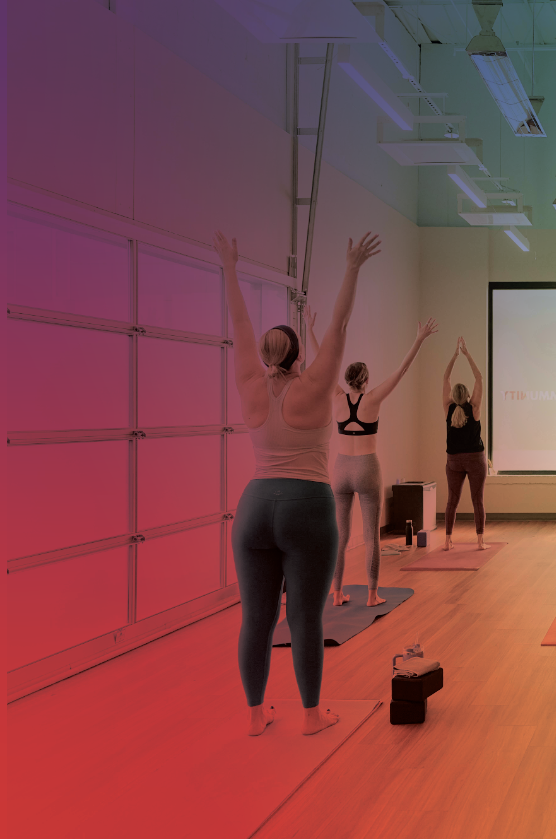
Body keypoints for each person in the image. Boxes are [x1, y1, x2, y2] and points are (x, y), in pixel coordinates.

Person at [216, 229, 380, 737]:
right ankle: (311, 715)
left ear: (268, 356)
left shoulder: (248, 382)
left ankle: (254, 715)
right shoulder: (312, 388)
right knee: (305, 619)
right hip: (306, 505)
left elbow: (239, 325)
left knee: (257, 620)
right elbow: (339, 323)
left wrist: (229, 267)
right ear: (296, 357)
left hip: (254, 506)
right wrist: (351, 266)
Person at [305, 310, 438, 607]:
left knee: (340, 536)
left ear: (347, 380)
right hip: (366, 467)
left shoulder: (337, 398)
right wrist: (418, 340)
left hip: (340, 469)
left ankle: (337, 594)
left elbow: (322, 365)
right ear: (365, 381)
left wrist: (310, 330)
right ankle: (372, 594)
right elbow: (401, 371)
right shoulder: (373, 399)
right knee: (370, 537)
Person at [443, 336, 488, 551]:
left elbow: (445, 377)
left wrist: (454, 356)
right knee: (477, 500)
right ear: (468, 395)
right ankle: (480, 541)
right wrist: (467, 354)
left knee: (452, 500)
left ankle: (447, 540)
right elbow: (479, 377)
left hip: (453, 461)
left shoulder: (448, 409)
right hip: (475, 459)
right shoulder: (475, 408)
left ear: (452, 396)